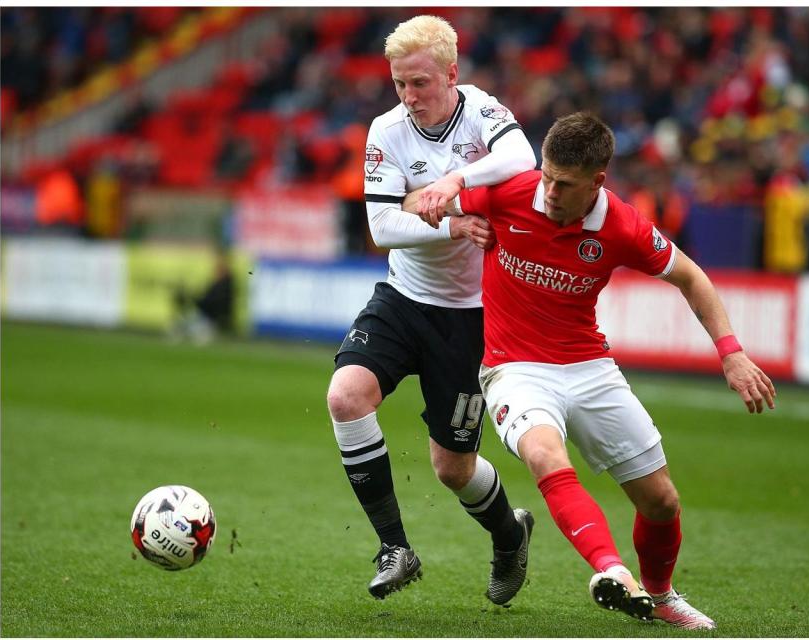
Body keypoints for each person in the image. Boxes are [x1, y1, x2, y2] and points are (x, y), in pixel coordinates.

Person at [409, 112, 776, 630]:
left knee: (661, 502)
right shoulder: (510, 191)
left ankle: (661, 594)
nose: (550, 190)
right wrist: (452, 218)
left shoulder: (622, 225)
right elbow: (410, 204)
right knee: (542, 452)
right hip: (515, 369)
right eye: (547, 175)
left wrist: (731, 352)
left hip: (589, 367)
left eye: (565, 183)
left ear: (598, 182)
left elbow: (692, 277)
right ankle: (612, 573)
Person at [324, 15, 538, 605]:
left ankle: (509, 534)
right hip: (402, 298)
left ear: (451, 72)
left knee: (452, 468)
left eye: (419, 83)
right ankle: (396, 546)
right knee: (346, 396)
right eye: (399, 84)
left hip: (470, 316)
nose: (409, 97)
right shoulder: (386, 130)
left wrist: (448, 185)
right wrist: (453, 221)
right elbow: (383, 226)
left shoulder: (483, 113)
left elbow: (524, 159)